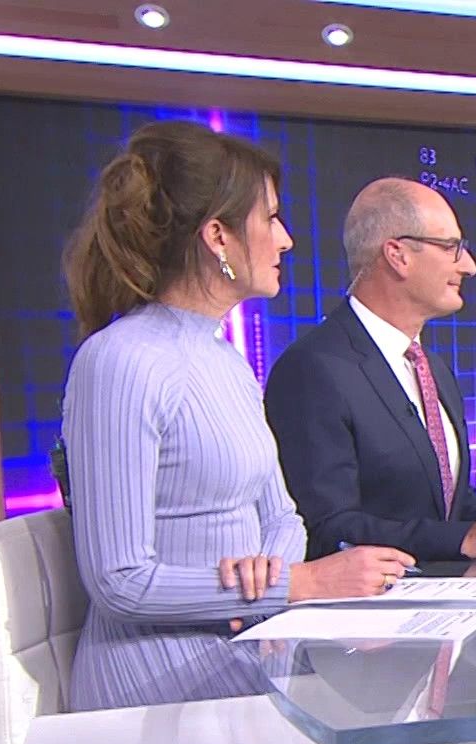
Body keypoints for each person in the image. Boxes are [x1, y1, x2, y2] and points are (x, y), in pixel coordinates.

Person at [61, 122, 414, 711]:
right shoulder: (119, 361)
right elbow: (118, 581)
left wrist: (267, 585)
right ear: (218, 237)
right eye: (270, 218)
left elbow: (281, 514)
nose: (286, 240)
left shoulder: (226, 359)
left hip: (245, 647)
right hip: (153, 686)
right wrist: (299, 584)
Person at [264, 178, 476, 563]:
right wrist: (467, 538)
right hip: (371, 601)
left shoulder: (431, 368)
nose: (469, 266)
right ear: (398, 255)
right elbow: (326, 528)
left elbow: (442, 508)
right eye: (451, 247)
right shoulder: (313, 369)